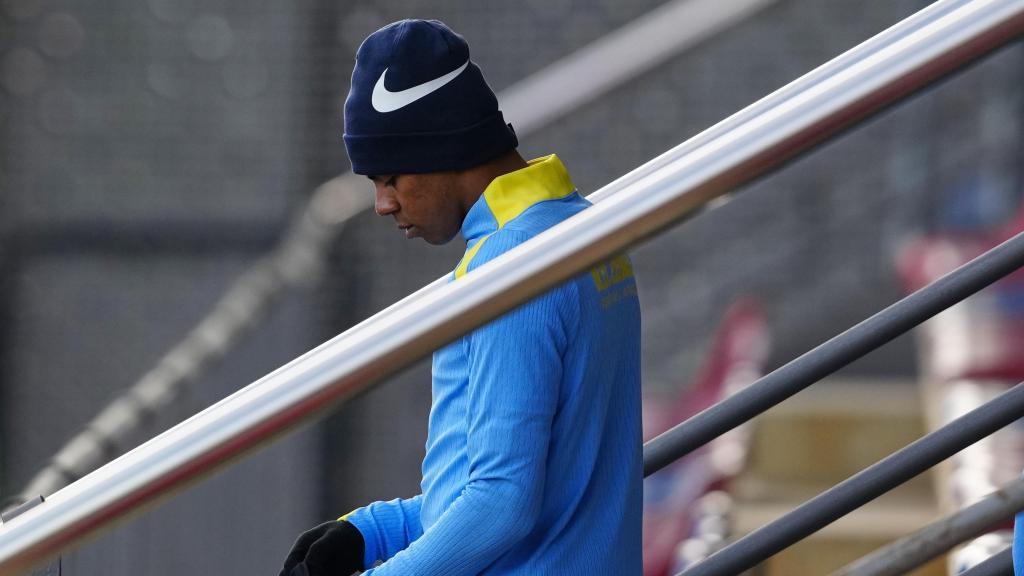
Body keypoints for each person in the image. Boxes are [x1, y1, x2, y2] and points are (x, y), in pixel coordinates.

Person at [280, 19, 642, 575]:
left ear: (443, 145)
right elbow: (541, 489)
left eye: (390, 178)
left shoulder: (512, 269)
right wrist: (370, 532)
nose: (382, 204)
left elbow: (501, 502)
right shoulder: (582, 233)